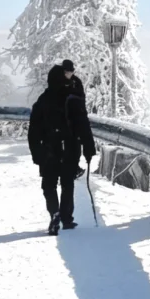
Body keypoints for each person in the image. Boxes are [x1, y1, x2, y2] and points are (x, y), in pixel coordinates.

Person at [27, 61, 95, 234]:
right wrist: (88, 147)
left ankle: (54, 213)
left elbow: (33, 130)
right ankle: (67, 217)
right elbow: (83, 124)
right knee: (67, 182)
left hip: (49, 149)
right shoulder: (74, 99)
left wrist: (37, 153)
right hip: (71, 146)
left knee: (48, 184)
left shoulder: (42, 101)